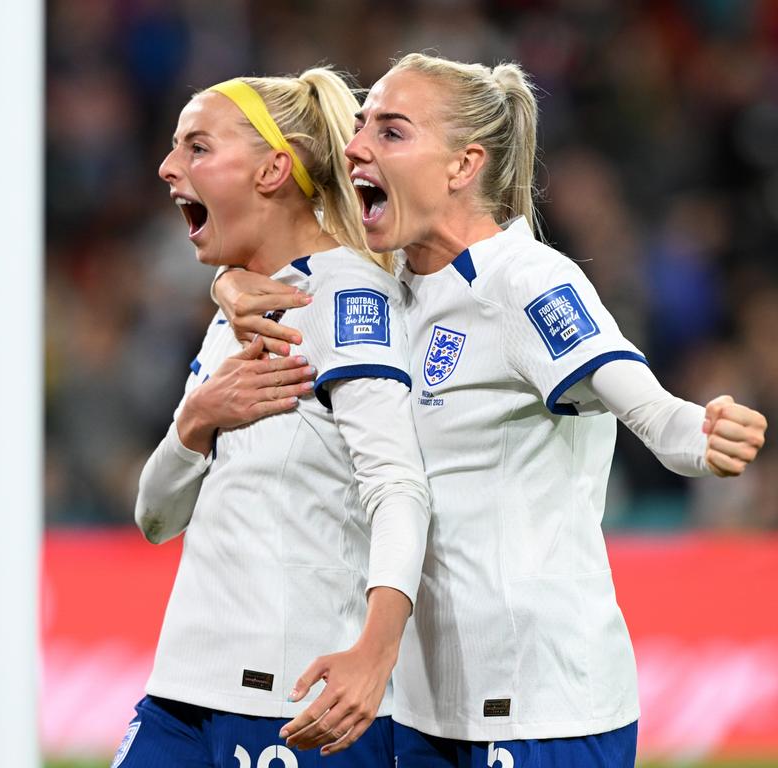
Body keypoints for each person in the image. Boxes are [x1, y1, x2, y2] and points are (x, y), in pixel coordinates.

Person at [214, 53, 767, 767]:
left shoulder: (522, 281)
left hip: (540, 702)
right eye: (361, 129)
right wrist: (225, 284)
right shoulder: (382, 290)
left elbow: (652, 411)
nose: (356, 147)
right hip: (422, 706)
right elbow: (270, 251)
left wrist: (704, 431)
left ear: (462, 164)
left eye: (391, 131)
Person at [111, 67, 432, 768]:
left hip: (288, 699)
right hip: (183, 688)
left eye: (197, 147)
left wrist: (376, 653)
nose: (168, 167)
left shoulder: (349, 298)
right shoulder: (239, 309)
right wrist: (195, 419)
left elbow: (399, 485)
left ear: (272, 171)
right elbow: (156, 518)